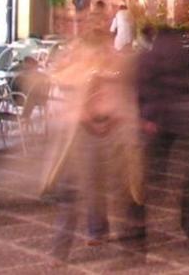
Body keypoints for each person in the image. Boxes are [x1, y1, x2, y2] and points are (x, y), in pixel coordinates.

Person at [42, 21, 143, 260]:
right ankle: (63, 248)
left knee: (121, 186)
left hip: (111, 129)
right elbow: (59, 78)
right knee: (76, 190)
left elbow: (124, 82)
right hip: (81, 132)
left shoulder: (113, 60)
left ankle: (120, 238)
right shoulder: (77, 59)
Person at [127, 27, 189, 252]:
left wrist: (143, 118)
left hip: (155, 124)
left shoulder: (146, 58)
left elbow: (138, 90)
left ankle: (136, 232)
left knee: (141, 180)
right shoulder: (184, 56)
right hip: (183, 123)